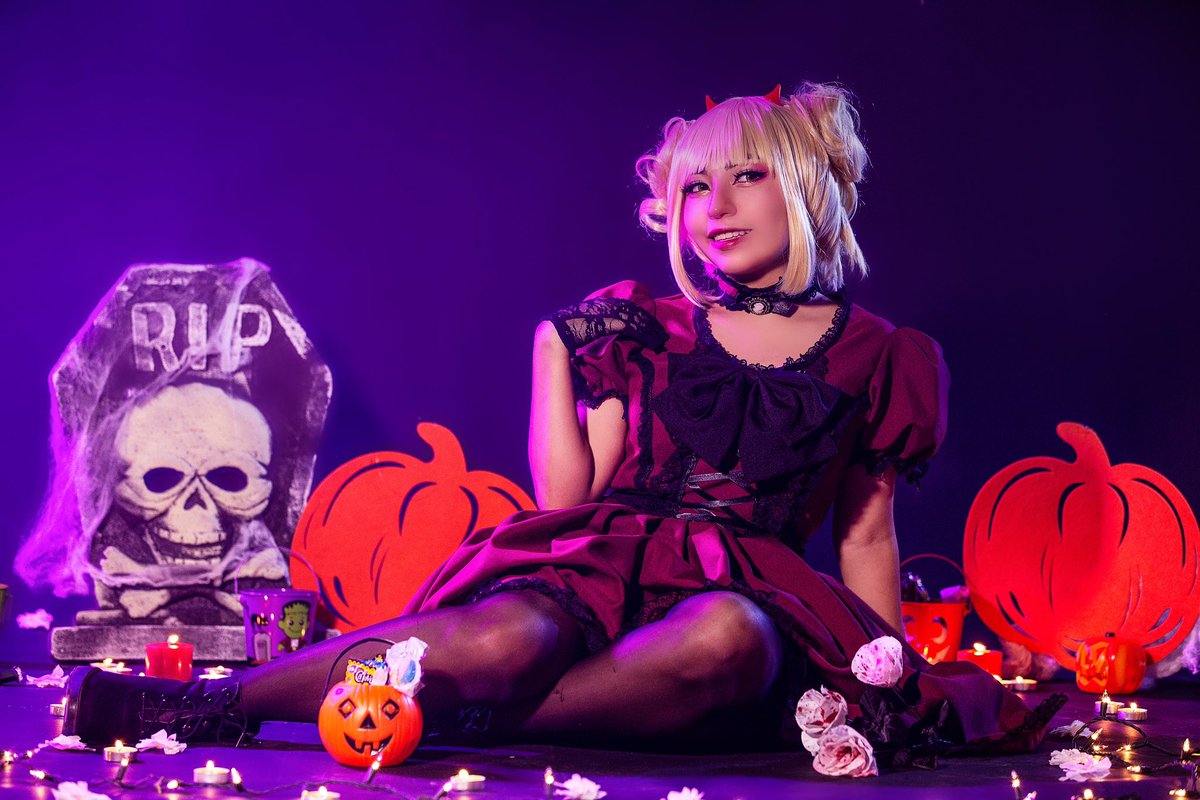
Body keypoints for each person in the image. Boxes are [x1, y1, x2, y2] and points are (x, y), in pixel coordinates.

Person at [63, 83, 1062, 762]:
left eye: (745, 177)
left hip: (749, 592)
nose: (714, 206)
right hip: (605, 561)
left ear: (803, 187)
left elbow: (864, 535)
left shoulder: (879, 352)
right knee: (506, 636)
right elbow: (571, 495)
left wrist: (885, 674)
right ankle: (211, 704)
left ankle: (461, 724)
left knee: (725, 637)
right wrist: (553, 350)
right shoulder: (646, 324)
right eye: (693, 187)